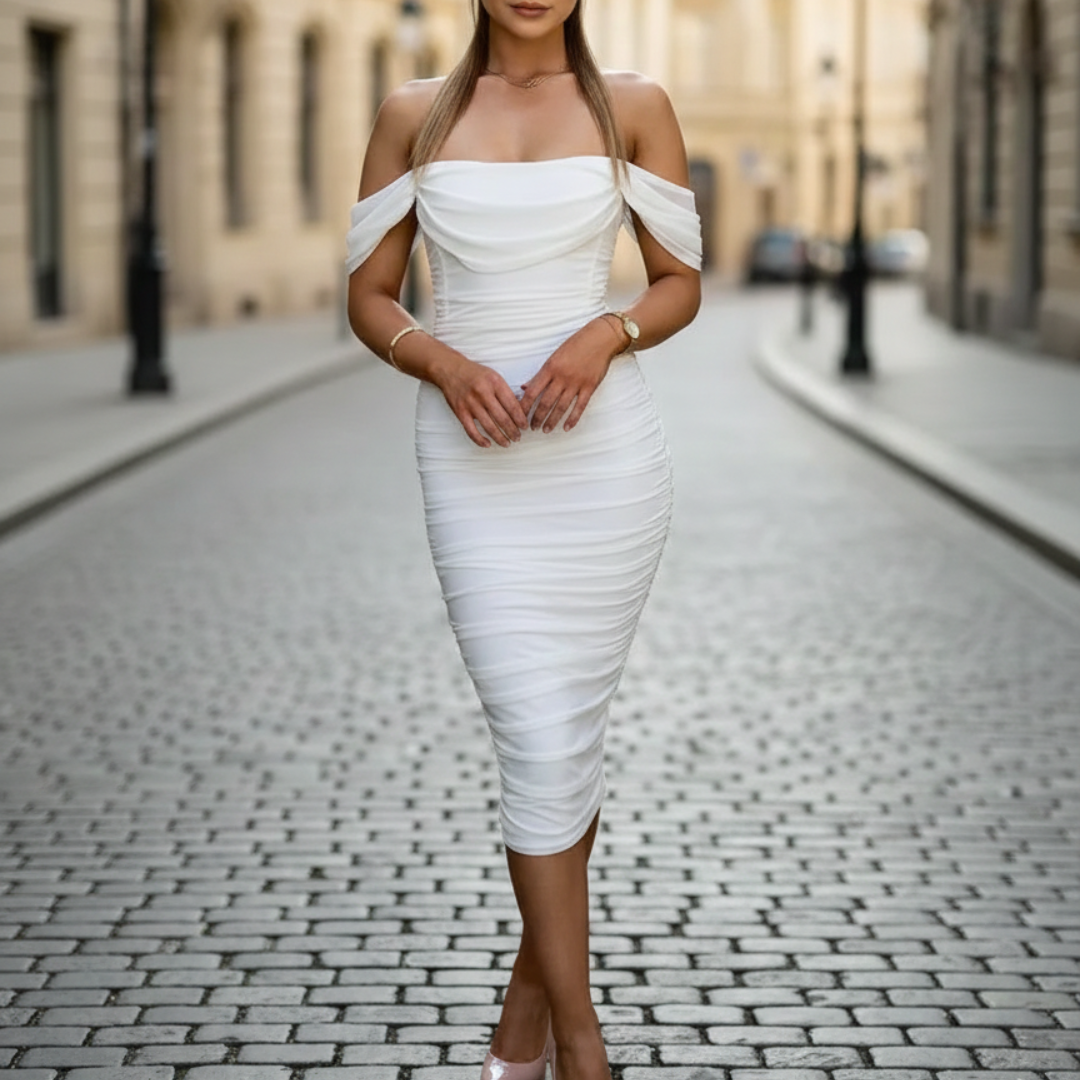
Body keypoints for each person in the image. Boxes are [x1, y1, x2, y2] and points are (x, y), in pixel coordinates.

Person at [346, 2, 701, 1078]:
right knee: (538, 739)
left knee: (564, 738)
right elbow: (367, 296)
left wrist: (607, 333)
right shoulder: (411, 113)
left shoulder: (635, 106)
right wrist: (443, 363)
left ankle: (528, 1028)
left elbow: (680, 283)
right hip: (472, 463)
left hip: (605, 464)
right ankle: (581, 1048)